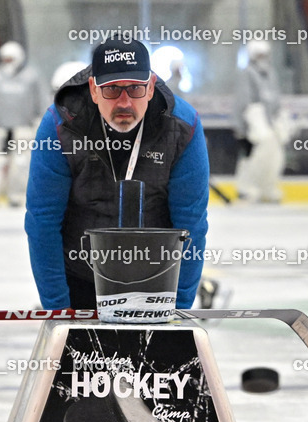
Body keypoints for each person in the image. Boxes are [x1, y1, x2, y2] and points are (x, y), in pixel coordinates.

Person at [24, 37, 208, 310]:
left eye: (135, 88)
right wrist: (58, 310)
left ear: (150, 87)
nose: (124, 102)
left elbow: (190, 225)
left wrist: (179, 308)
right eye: (111, 90)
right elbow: (42, 222)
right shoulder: (60, 126)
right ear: (93, 90)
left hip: (158, 284)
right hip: (81, 280)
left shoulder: (183, 127)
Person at [0, 41, 47, 207]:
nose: (8, 62)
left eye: (11, 59)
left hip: (23, 129)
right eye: (5, 59)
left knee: (21, 165)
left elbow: (42, 102)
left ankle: (17, 195)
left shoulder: (32, 76)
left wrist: (39, 124)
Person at [232, 40, 284, 203]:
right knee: (251, 158)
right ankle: (246, 189)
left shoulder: (271, 74)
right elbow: (243, 101)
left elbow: (276, 100)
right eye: (259, 55)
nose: (262, 58)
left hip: (269, 125)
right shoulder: (247, 74)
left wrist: (279, 121)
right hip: (252, 126)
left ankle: (267, 188)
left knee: (274, 157)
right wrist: (242, 126)